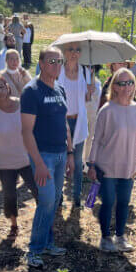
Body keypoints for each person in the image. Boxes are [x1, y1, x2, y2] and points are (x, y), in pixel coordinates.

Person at [20, 47, 75, 268]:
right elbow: (26, 131)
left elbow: (64, 124)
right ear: (41, 63)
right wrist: (39, 164)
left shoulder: (60, 89)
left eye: (59, 61)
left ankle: (48, 243)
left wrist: (70, 153)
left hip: (61, 154)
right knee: (47, 200)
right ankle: (34, 250)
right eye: (52, 61)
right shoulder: (32, 91)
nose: (56, 65)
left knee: (55, 200)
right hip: (43, 155)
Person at [87, 68, 136, 252]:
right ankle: (105, 237)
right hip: (108, 165)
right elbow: (96, 138)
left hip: (129, 165)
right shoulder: (107, 110)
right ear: (115, 87)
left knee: (124, 202)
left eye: (130, 82)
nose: (127, 87)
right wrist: (92, 164)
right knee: (109, 200)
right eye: (122, 83)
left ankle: (120, 236)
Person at [0, 73, 38, 240]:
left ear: (8, 87)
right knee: (9, 195)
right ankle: (14, 224)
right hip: (5, 163)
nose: (0, 91)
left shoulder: (22, 105)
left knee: (37, 190)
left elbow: (34, 129)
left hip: (26, 159)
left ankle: (44, 220)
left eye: (2, 86)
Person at [57, 43, 92, 207]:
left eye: (78, 50)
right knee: (61, 160)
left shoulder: (85, 71)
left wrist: (89, 92)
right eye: (71, 49)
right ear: (64, 52)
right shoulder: (58, 70)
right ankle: (58, 197)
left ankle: (77, 196)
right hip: (60, 121)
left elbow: (85, 99)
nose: (74, 53)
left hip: (78, 121)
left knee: (78, 162)